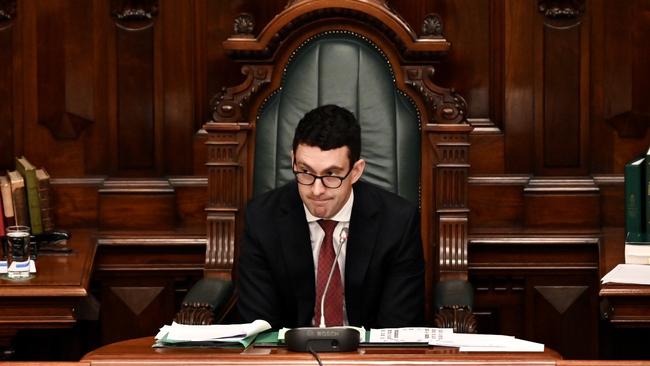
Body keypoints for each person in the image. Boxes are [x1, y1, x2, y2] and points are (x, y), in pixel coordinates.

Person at [237, 104, 424, 329]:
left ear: (356, 171)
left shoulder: (398, 222)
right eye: (305, 172)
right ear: (293, 161)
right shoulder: (262, 218)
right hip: (290, 358)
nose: (316, 190)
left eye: (331, 175)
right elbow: (259, 325)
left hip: (368, 359)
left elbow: (398, 327)